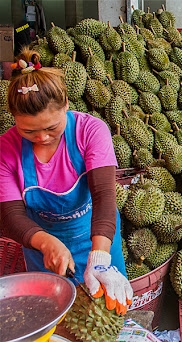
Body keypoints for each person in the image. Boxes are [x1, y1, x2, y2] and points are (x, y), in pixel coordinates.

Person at [0, 47, 132, 315]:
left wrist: (100, 258)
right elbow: (11, 215)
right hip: (42, 246)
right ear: (14, 119)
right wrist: (47, 243)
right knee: (54, 317)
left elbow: (105, 195)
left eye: (51, 128)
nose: (42, 138)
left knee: (108, 312)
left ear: (67, 105)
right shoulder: (5, 149)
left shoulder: (91, 131)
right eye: (29, 131)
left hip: (98, 236)